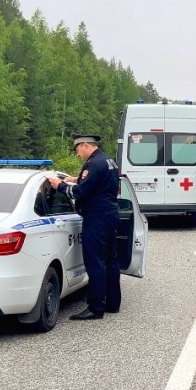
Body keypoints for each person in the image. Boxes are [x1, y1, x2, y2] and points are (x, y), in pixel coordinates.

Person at [48, 133, 120, 321]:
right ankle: (113, 303)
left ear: (85, 145)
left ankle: (95, 308)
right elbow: (98, 185)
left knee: (95, 261)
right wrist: (76, 178)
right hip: (110, 215)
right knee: (111, 261)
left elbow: (80, 193)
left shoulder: (93, 164)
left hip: (96, 218)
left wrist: (60, 185)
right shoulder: (108, 161)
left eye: (77, 149)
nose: (77, 154)